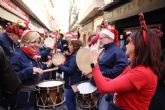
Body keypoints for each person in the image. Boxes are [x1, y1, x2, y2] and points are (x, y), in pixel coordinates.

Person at [89, 13, 161, 110]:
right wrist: (95, 75)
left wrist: (94, 63)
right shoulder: (136, 67)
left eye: (129, 41)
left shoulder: (143, 72)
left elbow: (105, 87)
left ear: (138, 46)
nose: (126, 44)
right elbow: (113, 82)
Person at [9, 30, 50, 110]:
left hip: (34, 97)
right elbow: (12, 78)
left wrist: (45, 65)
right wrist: (30, 70)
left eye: (38, 42)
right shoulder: (17, 56)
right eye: (33, 42)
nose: (37, 45)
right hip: (23, 100)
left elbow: (37, 69)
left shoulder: (32, 54)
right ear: (26, 42)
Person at [56, 39, 83, 110]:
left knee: (69, 102)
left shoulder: (74, 57)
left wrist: (60, 65)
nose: (68, 46)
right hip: (73, 82)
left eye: (70, 45)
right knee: (72, 101)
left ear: (74, 47)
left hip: (71, 83)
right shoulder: (73, 56)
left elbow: (70, 70)